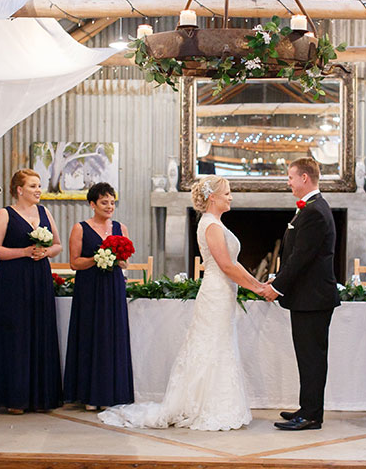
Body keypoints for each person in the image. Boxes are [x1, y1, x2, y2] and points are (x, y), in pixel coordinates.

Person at [100, 176, 269, 431]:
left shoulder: (213, 223)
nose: (231, 197)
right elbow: (226, 265)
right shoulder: (211, 225)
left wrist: (256, 284)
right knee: (212, 346)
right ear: (213, 197)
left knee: (218, 345)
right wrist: (257, 286)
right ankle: (203, 407)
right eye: (227, 193)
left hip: (222, 293)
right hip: (215, 293)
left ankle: (212, 403)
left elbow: (232, 265)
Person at [262, 158, 340, 431]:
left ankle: (311, 415)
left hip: (313, 299)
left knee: (312, 357)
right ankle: (307, 407)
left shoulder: (315, 212)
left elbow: (301, 259)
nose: (288, 182)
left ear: (305, 178)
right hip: (308, 297)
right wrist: (278, 279)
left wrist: (276, 287)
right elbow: (296, 256)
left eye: (291, 177)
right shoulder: (310, 209)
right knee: (307, 356)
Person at [0, 169, 64, 414]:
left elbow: (58, 245)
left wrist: (45, 252)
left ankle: (41, 396)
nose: (38, 190)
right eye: (33, 186)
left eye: (39, 185)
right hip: (13, 280)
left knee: (40, 331)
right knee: (16, 335)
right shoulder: (5, 214)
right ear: (19, 190)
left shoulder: (45, 213)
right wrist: (23, 252)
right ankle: (14, 398)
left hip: (39, 278)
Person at [63, 182, 134, 409]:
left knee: (111, 337)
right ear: (93, 204)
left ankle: (110, 393)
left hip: (113, 287)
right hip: (89, 289)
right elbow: (74, 262)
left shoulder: (120, 228)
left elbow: (125, 263)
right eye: (104, 202)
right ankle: (87, 395)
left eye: (112, 202)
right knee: (90, 336)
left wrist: (117, 258)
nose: (109, 206)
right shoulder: (80, 228)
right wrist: (98, 258)